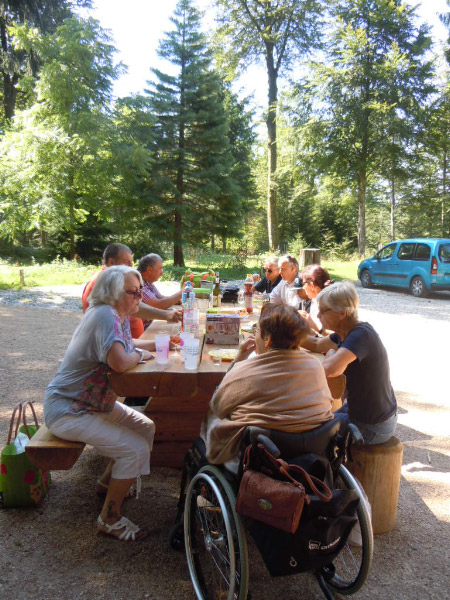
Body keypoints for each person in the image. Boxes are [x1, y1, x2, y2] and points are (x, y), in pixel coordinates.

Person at [44, 266, 157, 541]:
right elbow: (120, 361)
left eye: (140, 290)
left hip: (93, 404)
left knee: (146, 427)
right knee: (135, 449)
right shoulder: (106, 315)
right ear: (114, 294)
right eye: (133, 292)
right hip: (69, 409)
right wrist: (141, 354)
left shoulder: (114, 314)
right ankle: (109, 518)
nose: (140, 297)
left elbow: (125, 349)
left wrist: (156, 346)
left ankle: (107, 483)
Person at [203, 303, 334, 466]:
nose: (254, 335)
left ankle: (206, 462)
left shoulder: (245, 370)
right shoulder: (315, 366)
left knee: (213, 415)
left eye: (256, 331)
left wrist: (237, 362)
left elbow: (217, 406)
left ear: (268, 340)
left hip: (259, 459)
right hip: (309, 454)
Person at [302, 281, 397, 445]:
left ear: (342, 313)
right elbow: (316, 344)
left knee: (309, 438)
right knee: (313, 423)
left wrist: (332, 353)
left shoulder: (360, 335)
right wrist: (287, 334)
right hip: (360, 412)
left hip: (373, 425)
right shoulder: (344, 333)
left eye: (323, 311)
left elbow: (329, 370)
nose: (318, 316)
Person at [81, 243, 181, 338]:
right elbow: (134, 306)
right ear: (111, 262)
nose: (131, 267)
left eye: (131, 263)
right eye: (127, 262)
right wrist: (166, 314)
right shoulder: (105, 281)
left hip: (130, 341)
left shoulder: (109, 278)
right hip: (123, 345)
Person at [137, 253, 183, 328]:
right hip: (146, 329)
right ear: (150, 270)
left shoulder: (148, 281)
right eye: (160, 269)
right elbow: (158, 305)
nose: (161, 273)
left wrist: (175, 299)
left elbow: (160, 297)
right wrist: (181, 293)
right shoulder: (139, 282)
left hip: (152, 324)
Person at [301, 264, 334, 334]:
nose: (303, 287)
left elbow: (336, 338)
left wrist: (315, 327)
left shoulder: (328, 305)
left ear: (312, 286)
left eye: (304, 284)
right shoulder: (315, 299)